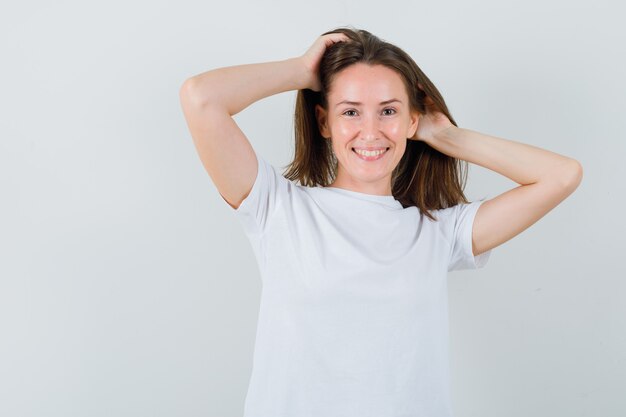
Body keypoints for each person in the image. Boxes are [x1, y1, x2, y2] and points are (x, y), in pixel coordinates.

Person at [179, 26, 582, 417]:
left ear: (411, 121)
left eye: (388, 111)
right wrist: (302, 70)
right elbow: (201, 98)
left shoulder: (439, 232)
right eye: (350, 111)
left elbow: (561, 175)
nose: (370, 132)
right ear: (324, 122)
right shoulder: (278, 207)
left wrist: (448, 137)